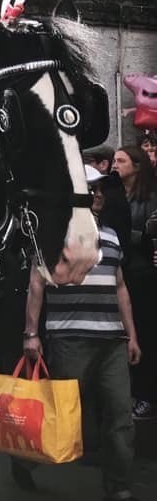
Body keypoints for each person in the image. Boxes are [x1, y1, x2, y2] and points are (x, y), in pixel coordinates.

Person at [11, 165, 150, 501]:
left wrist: (131, 335)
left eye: (100, 189)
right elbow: (36, 286)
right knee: (61, 416)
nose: (98, 195)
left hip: (112, 341)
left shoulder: (113, 237)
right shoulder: (53, 235)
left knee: (121, 416)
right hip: (71, 339)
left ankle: (118, 489)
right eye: (91, 189)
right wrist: (31, 334)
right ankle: (25, 462)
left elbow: (120, 288)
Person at [112, 145, 157, 419]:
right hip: (122, 271)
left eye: (121, 160)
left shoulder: (149, 198)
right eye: (114, 160)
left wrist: (130, 235)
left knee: (144, 333)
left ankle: (146, 394)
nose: (115, 165)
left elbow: (150, 230)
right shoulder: (116, 195)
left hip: (141, 275)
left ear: (137, 166)